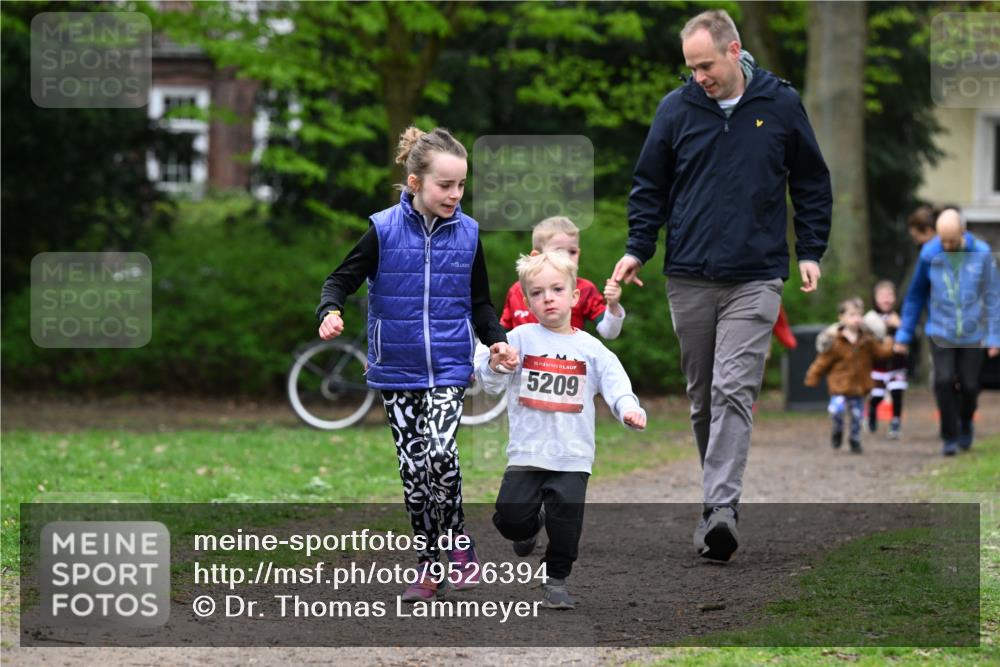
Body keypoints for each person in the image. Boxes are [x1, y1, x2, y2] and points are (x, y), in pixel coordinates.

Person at [611, 9, 832, 561]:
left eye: (705, 65)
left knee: (735, 389)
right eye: (691, 67)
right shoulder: (676, 109)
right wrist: (639, 246)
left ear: (734, 51)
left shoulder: (779, 104)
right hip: (688, 275)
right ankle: (717, 506)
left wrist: (810, 250)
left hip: (756, 275)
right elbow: (649, 186)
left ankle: (720, 508)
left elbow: (810, 181)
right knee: (703, 397)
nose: (699, 76)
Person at [316, 126, 519, 601]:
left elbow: (480, 303)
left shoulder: (468, 233)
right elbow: (338, 281)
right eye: (444, 185)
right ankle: (429, 565)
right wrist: (329, 312)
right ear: (415, 183)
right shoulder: (383, 229)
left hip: (448, 365)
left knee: (440, 454)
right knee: (413, 473)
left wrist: (497, 342)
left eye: (461, 185)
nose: (454, 194)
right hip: (397, 369)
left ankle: (459, 545)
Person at [477, 251, 646, 609]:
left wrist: (629, 410)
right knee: (510, 519)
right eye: (537, 293)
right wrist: (495, 363)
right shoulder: (518, 339)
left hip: (572, 455)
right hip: (527, 453)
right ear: (526, 301)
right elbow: (489, 381)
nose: (547, 298)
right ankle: (529, 525)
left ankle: (556, 580)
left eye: (556, 289)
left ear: (574, 296)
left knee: (566, 524)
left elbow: (617, 385)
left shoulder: (591, 349)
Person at [894, 208, 1000, 456]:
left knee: (970, 386)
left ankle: (965, 422)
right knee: (942, 381)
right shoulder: (929, 254)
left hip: (973, 333)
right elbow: (915, 296)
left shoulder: (982, 254)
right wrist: (903, 335)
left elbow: (993, 296)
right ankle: (949, 436)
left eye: (952, 240)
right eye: (943, 240)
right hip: (940, 330)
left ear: (963, 232)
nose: (947, 245)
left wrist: (995, 335)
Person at [500, 216, 625, 339]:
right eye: (559, 252)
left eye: (572, 252)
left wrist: (613, 306)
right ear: (536, 256)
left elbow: (609, 333)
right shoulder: (517, 290)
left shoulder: (585, 289)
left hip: (567, 358)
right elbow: (501, 335)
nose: (568, 257)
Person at [805, 298, 895, 454]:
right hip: (839, 387)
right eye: (852, 315)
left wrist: (890, 343)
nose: (856, 319)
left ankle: (855, 440)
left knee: (857, 417)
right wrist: (812, 376)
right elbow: (822, 361)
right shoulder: (836, 341)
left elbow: (881, 354)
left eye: (859, 315)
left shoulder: (867, 340)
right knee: (837, 412)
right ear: (841, 318)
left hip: (859, 387)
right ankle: (837, 432)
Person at [866, 280, 908, 439]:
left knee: (897, 392)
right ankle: (871, 411)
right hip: (877, 365)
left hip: (897, 363)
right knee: (877, 395)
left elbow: (911, 337)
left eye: (890, 295)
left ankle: (895, 422)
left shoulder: (901, 318)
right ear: (875, 298)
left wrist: (900, 327)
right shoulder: (869, 319)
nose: (886, 299)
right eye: (882, 295)